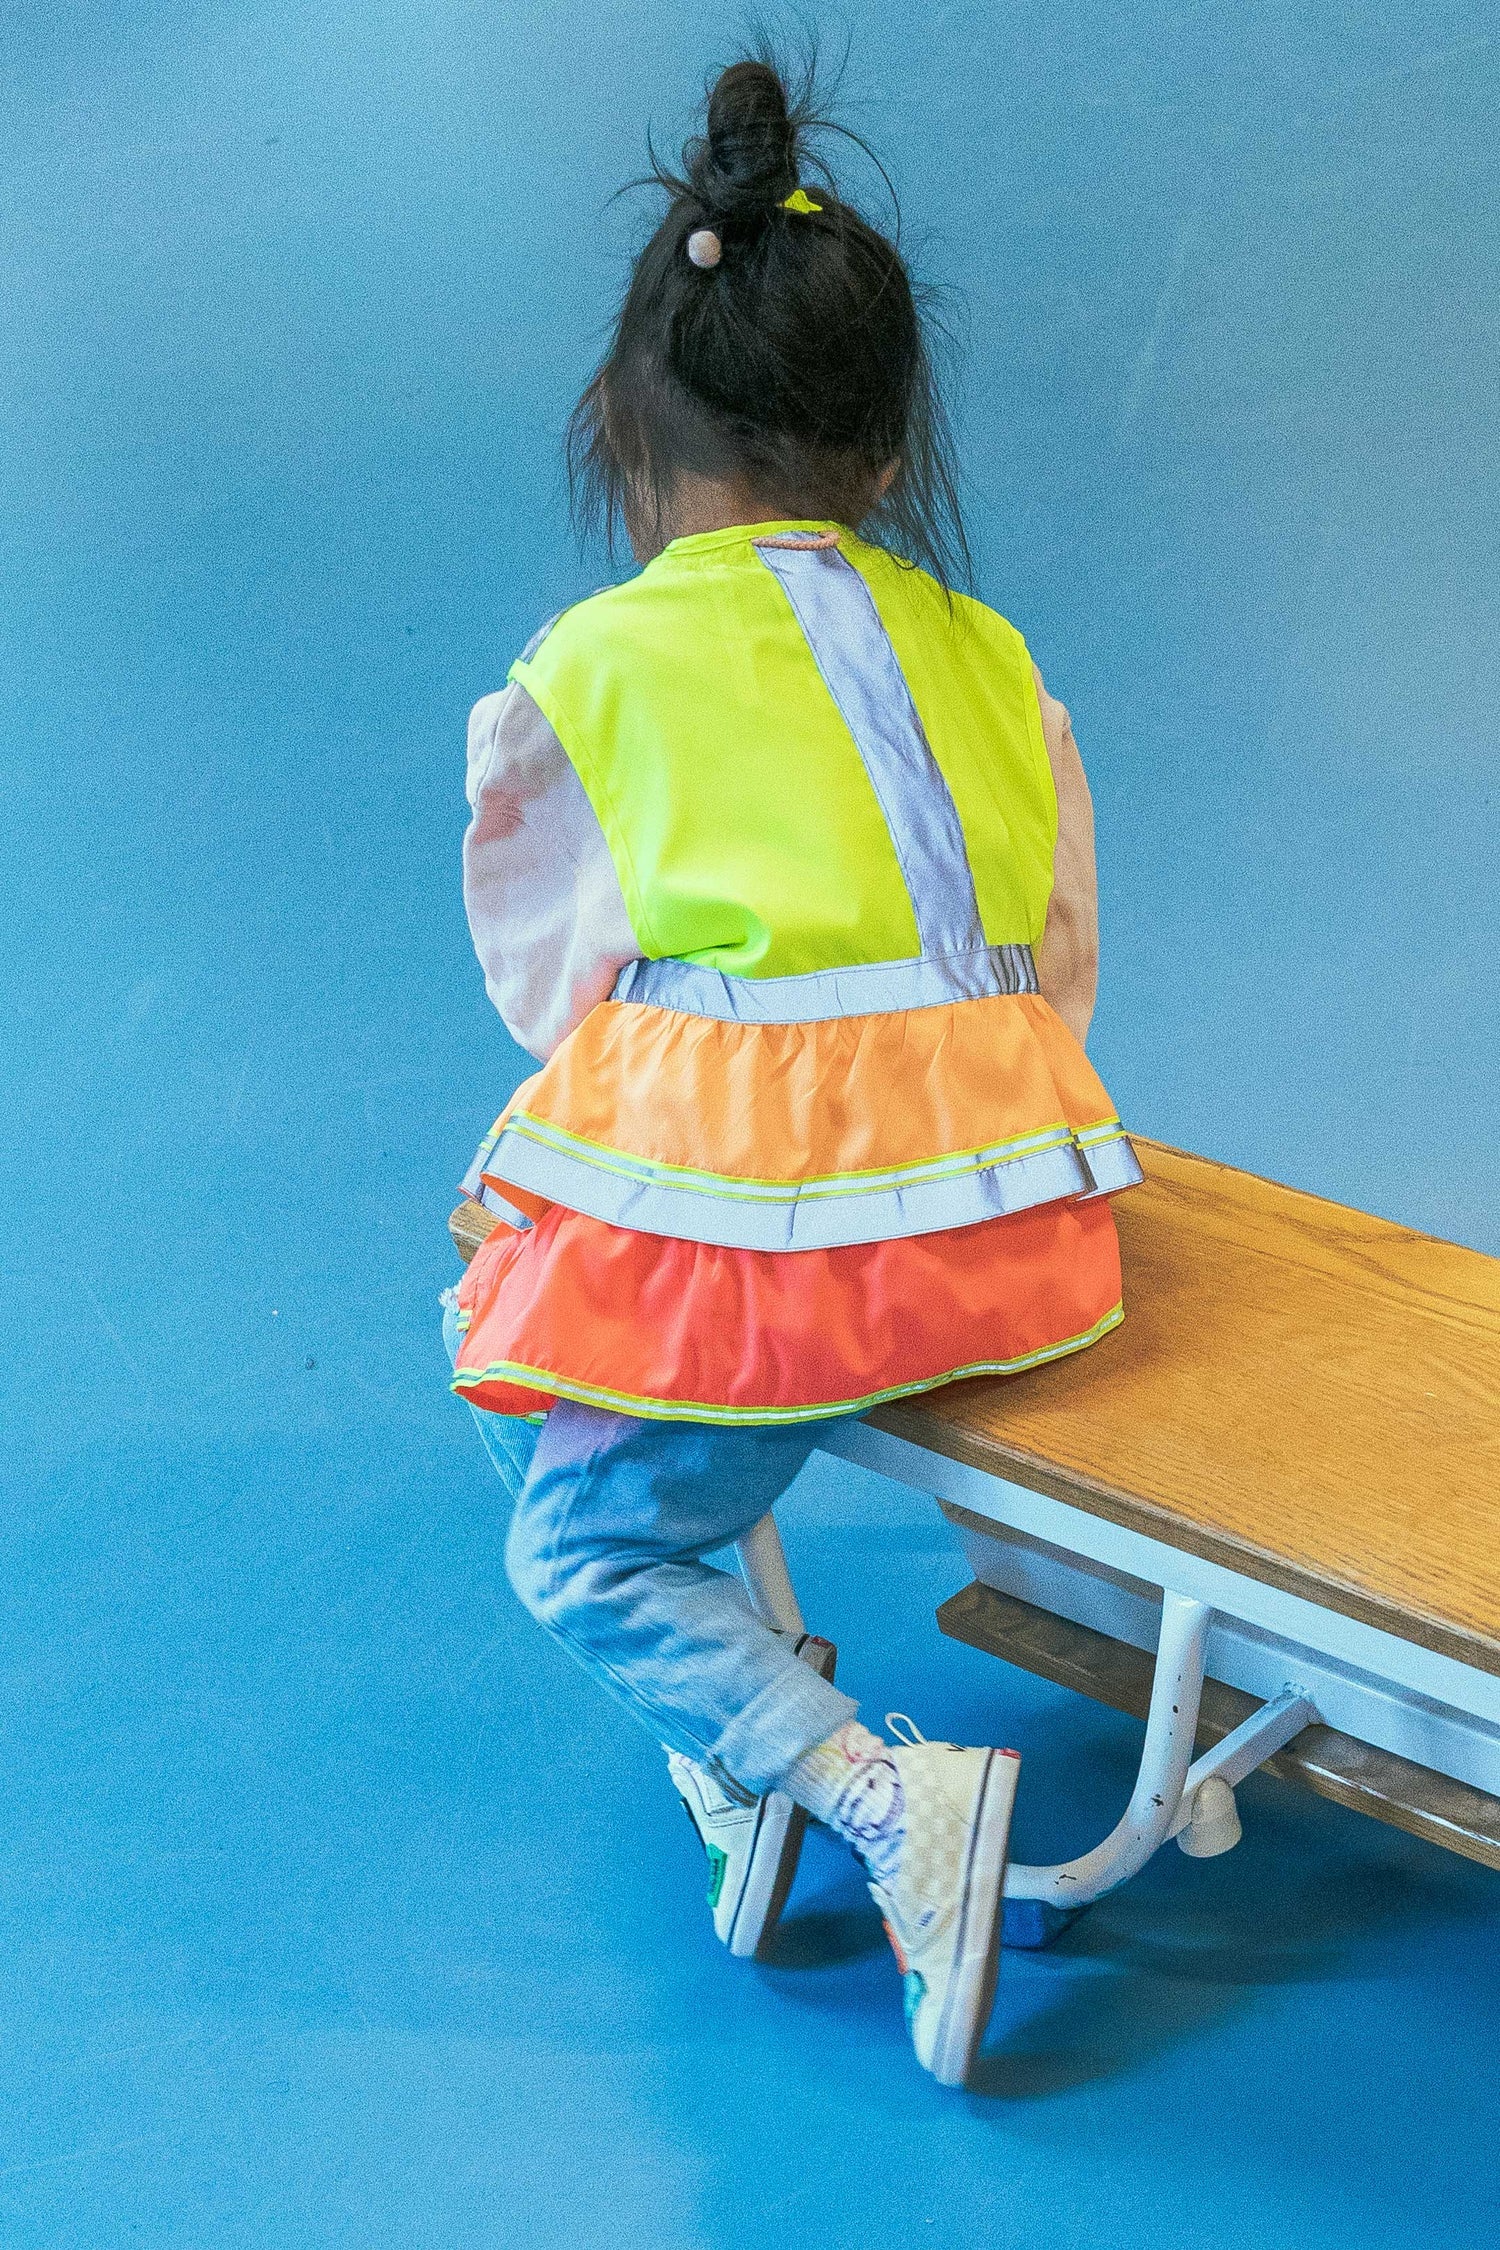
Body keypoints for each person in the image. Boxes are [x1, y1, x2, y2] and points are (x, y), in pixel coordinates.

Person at [443, 55, 1141, 2087]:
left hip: (792, 1267)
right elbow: (1061, 961)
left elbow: (557, 998)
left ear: (631, 424)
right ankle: (751, 1702)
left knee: (566, 1522)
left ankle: (847, 1775)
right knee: (505, 1275)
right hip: (1029, 1222)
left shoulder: (598, 667)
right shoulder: (995, 661)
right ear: (891, 433)